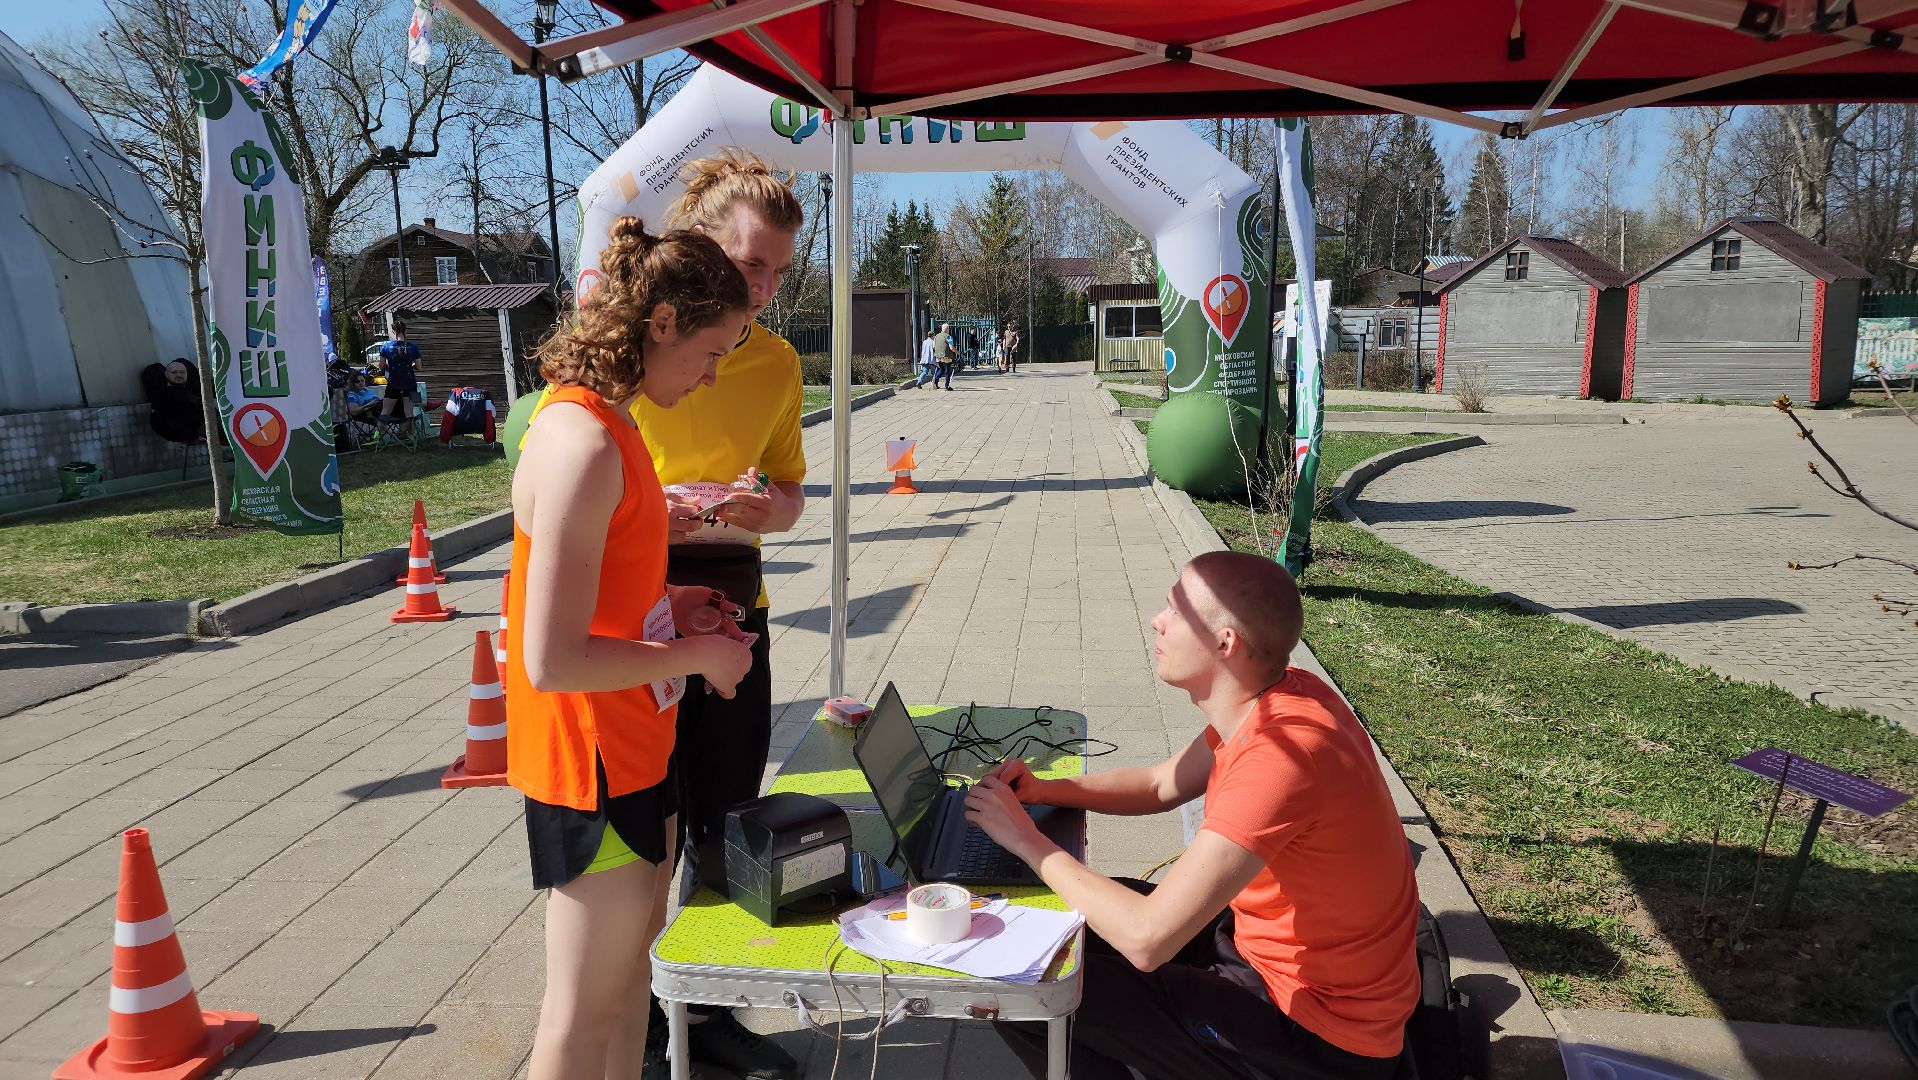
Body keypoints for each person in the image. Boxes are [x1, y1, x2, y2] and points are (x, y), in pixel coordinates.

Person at [966, 551, 1421, 1080]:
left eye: (1175, 610)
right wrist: (1045, 789)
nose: (1157, 620)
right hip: (1264, 956)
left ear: (1225, 643)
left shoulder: (1281, 757)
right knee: (1049, 922)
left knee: (1016, 981)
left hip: (1319, 1034)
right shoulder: (1281, 696)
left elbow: (1147, 939)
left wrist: (1026, 840)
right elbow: (1162, 784)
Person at [507, 217, 757, 1080]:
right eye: (711, 351)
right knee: (578, 1023)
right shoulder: (578, 440)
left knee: (623, 1003)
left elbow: (608, 592)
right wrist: (698, 659)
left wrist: (676, 603)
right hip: (594, 764)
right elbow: (552, 658)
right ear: (661, 325)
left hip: (639, 750)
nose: (713, 373)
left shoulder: (613, 426)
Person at [141, 358, 203, 444]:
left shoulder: (193, 391)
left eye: (182, 372)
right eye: (174, 372)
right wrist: (189, 437)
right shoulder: (163, 396)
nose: (178, 375)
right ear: (166, 374)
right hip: (192, 432)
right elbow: (157, 424)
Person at [378, 320, 420, 420]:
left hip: (393, 382)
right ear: (406, 331)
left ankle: (378, 435)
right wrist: (411, 364)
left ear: (393, 331)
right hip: (409, 383)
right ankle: (408, 435)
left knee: (385, 413)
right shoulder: (413, 347)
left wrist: (390, 365)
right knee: (409, 413)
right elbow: (419, 367)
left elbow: (381, 366)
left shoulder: (386, 347)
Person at [935, 321, 956, 389]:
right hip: (946, 356)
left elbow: (933, 346)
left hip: (938, 356)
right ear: (947, 329)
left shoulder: (937, 336)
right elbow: (951, 348)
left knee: (941, 369)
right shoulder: (948, 337)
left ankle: (936, 379)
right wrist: (958, 352)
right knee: (947, 371)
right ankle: (947, 386)